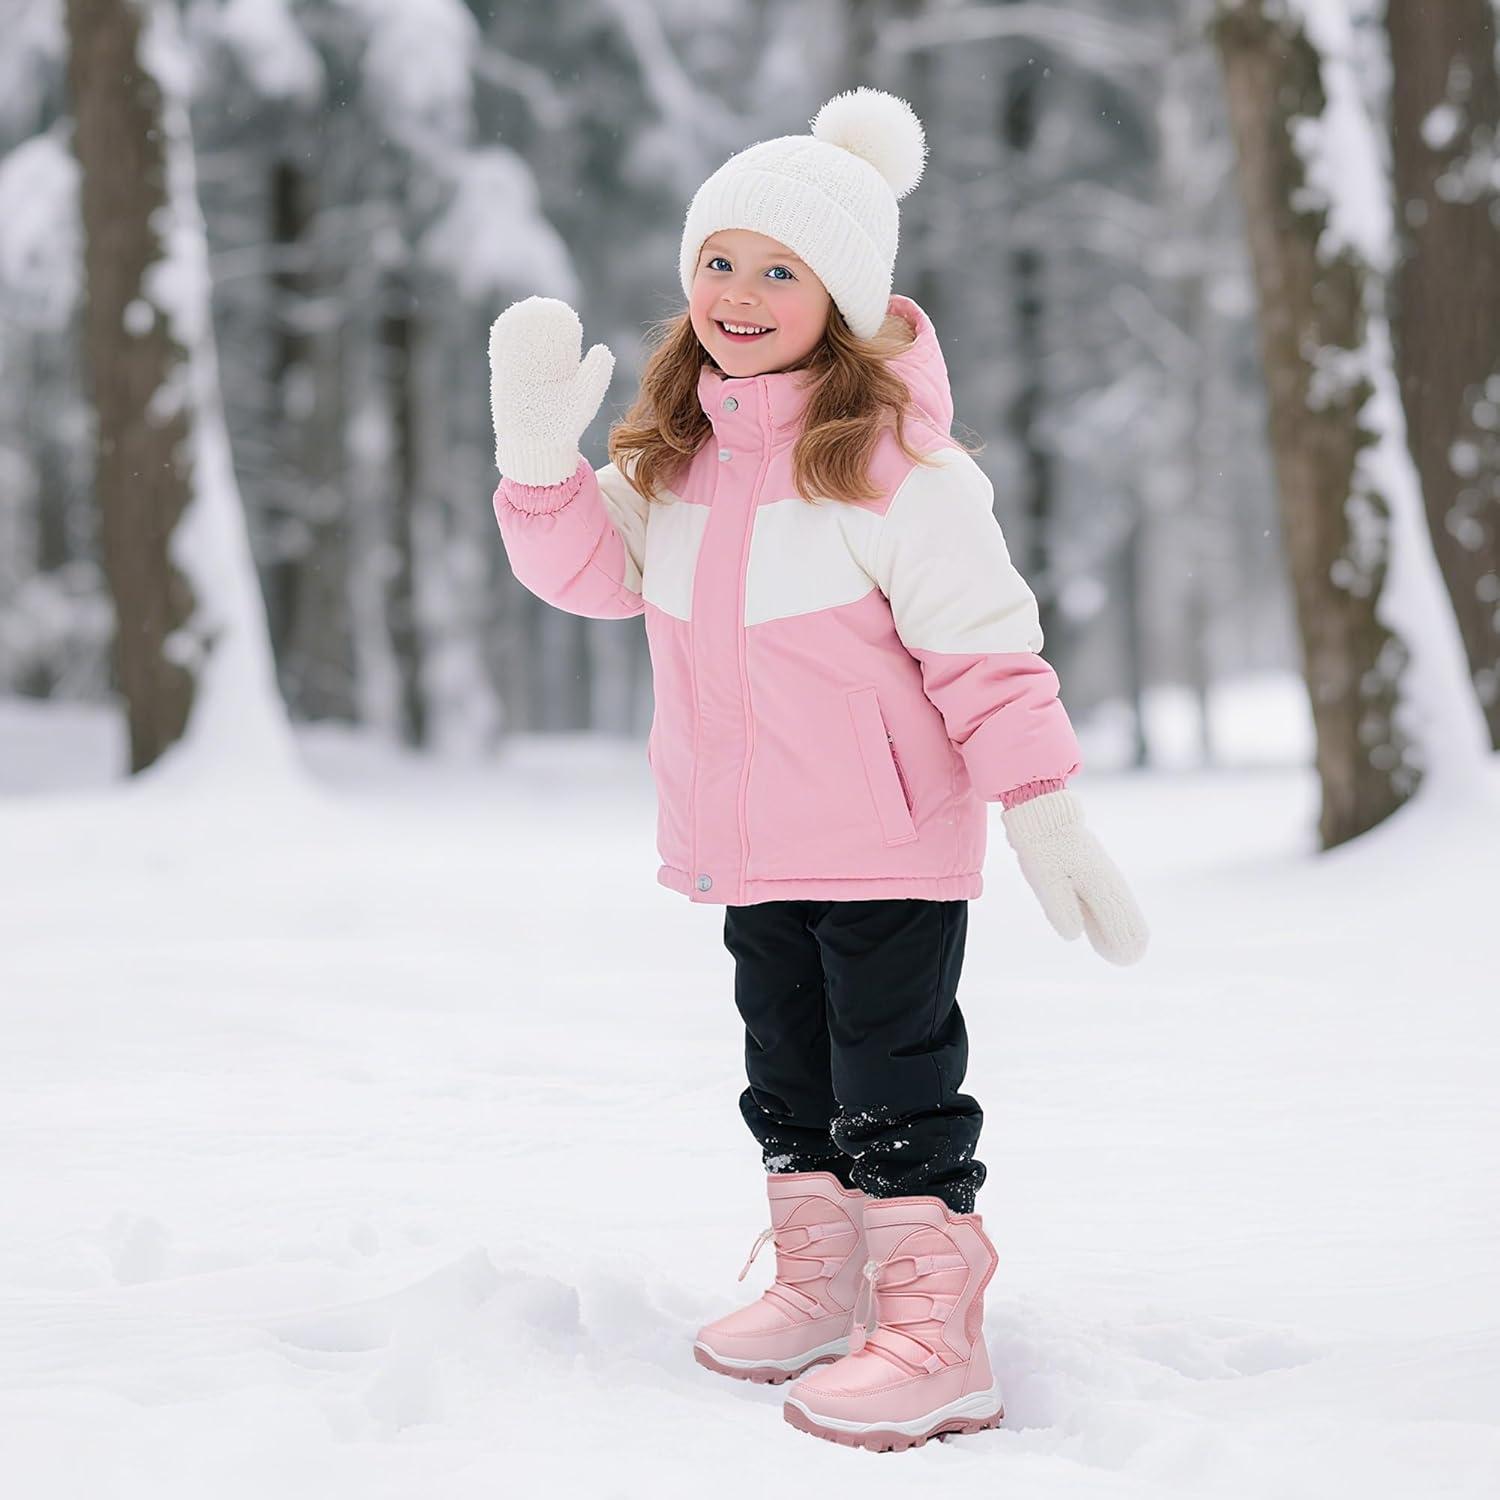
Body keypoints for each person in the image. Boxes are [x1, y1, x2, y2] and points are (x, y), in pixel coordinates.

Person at [488, 86, 1149, 1452]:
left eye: (780, 270)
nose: (739, 293)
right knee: (786, 1074)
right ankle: (823, 1280)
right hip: (750, 843)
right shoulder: (681, 464)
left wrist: (1041, 806)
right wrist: (538, 458)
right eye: (719, 260)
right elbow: (589, 575)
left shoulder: (902, 469)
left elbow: (987, 653)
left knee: (895, 1081)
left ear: (841, 297)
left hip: (886, 844)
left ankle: (937, 1334)